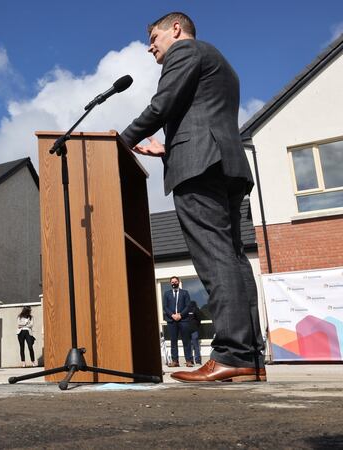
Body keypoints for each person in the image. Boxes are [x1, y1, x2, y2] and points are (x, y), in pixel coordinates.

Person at [120, 11, 265, 382]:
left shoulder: (185, 52)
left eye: (154, 38)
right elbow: (203, 118)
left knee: (215, 256)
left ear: (176, 29)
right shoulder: (221, 63)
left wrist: (121, 142)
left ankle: (230, 354)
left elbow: (162, 104)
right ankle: (250, 358)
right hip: (225, 164)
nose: (150, 47)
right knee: (233, 256)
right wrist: (168, 150)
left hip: (200, 167)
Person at [163, 276, 193, 367]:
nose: (174, 283)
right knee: (173, 341)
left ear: (178, 282)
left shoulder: (185, 293)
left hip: (183, 320)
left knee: (186, 341)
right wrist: (172, 315)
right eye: (172, 282)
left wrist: (180, 315)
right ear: (170, 283)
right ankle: (175, 361)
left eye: (175, 282)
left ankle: (189, 361)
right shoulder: (167, 294)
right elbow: (165, 307)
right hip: (171, 320)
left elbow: (188, 306)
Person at [186, 300, 203, 365]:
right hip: (194, 329)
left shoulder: (186, 310)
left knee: (189, 346)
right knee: (196, 346)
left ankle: (190, 361)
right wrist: (197, 325)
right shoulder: (196, 309)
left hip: (187, 330)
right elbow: (199, 318)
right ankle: (198, 361)